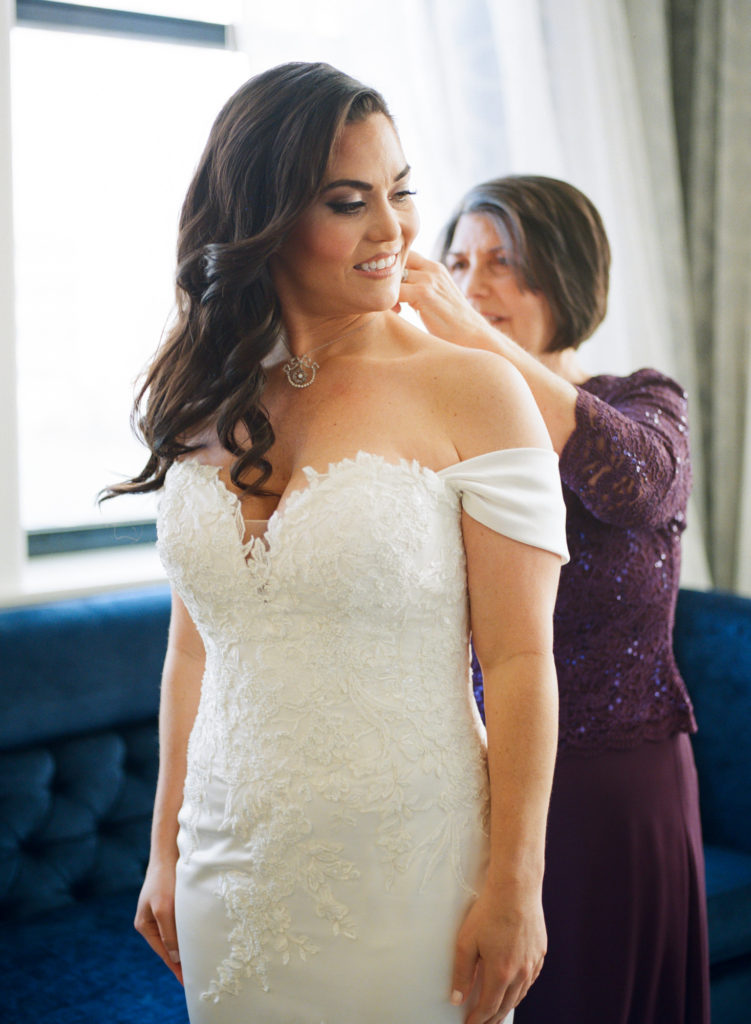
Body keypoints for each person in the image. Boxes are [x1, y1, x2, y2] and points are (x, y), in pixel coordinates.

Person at [107, 67, 569, 1023]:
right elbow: (193, 649)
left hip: (412, 867)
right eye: (347, 202)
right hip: (224, 858)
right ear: (265, 217)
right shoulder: (200, 397)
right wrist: (164, 849)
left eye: (399, 192)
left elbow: (521, 660)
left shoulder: (474, 391)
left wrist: (514, 886)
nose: (391, 230)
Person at [398, 174, 711, 1024]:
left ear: (567, 276)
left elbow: (634, 485)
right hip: (472, 785)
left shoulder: (644, 403)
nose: (474, 285)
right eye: (459, 262)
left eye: (504, 262)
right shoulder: (447, 425)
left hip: (616, 787)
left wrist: (466, 336)